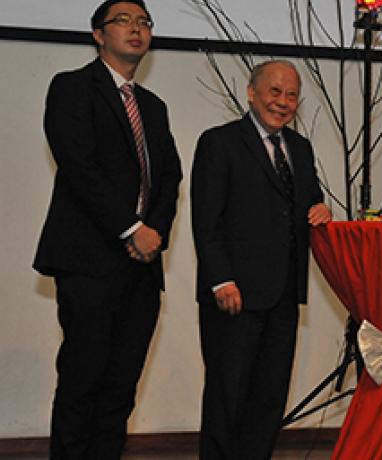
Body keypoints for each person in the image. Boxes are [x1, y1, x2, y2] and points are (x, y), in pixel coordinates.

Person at [32, 1, 183, 457]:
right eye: (123, 21)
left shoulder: (153, 107)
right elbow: (80, 166)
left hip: (141, 266)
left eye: (144, 23)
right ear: (98, 35)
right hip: (88, 260)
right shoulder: (73, 88)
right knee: (83, 381)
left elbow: (170, 178)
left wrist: (153, 234)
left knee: (121, 387)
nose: (136, 30)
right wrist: (130, 228)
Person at [191, 59, 332, 460]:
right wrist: (220, 279)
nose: (282, 102)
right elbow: (207, 219)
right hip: (233, 293)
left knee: (269, 399)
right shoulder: (219, 142)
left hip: (284, 294)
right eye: (274, 91)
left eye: (291, 95)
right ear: (251, 93)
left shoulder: (300, 149)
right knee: (226, 397)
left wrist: (320, 210)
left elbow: (306, 204)